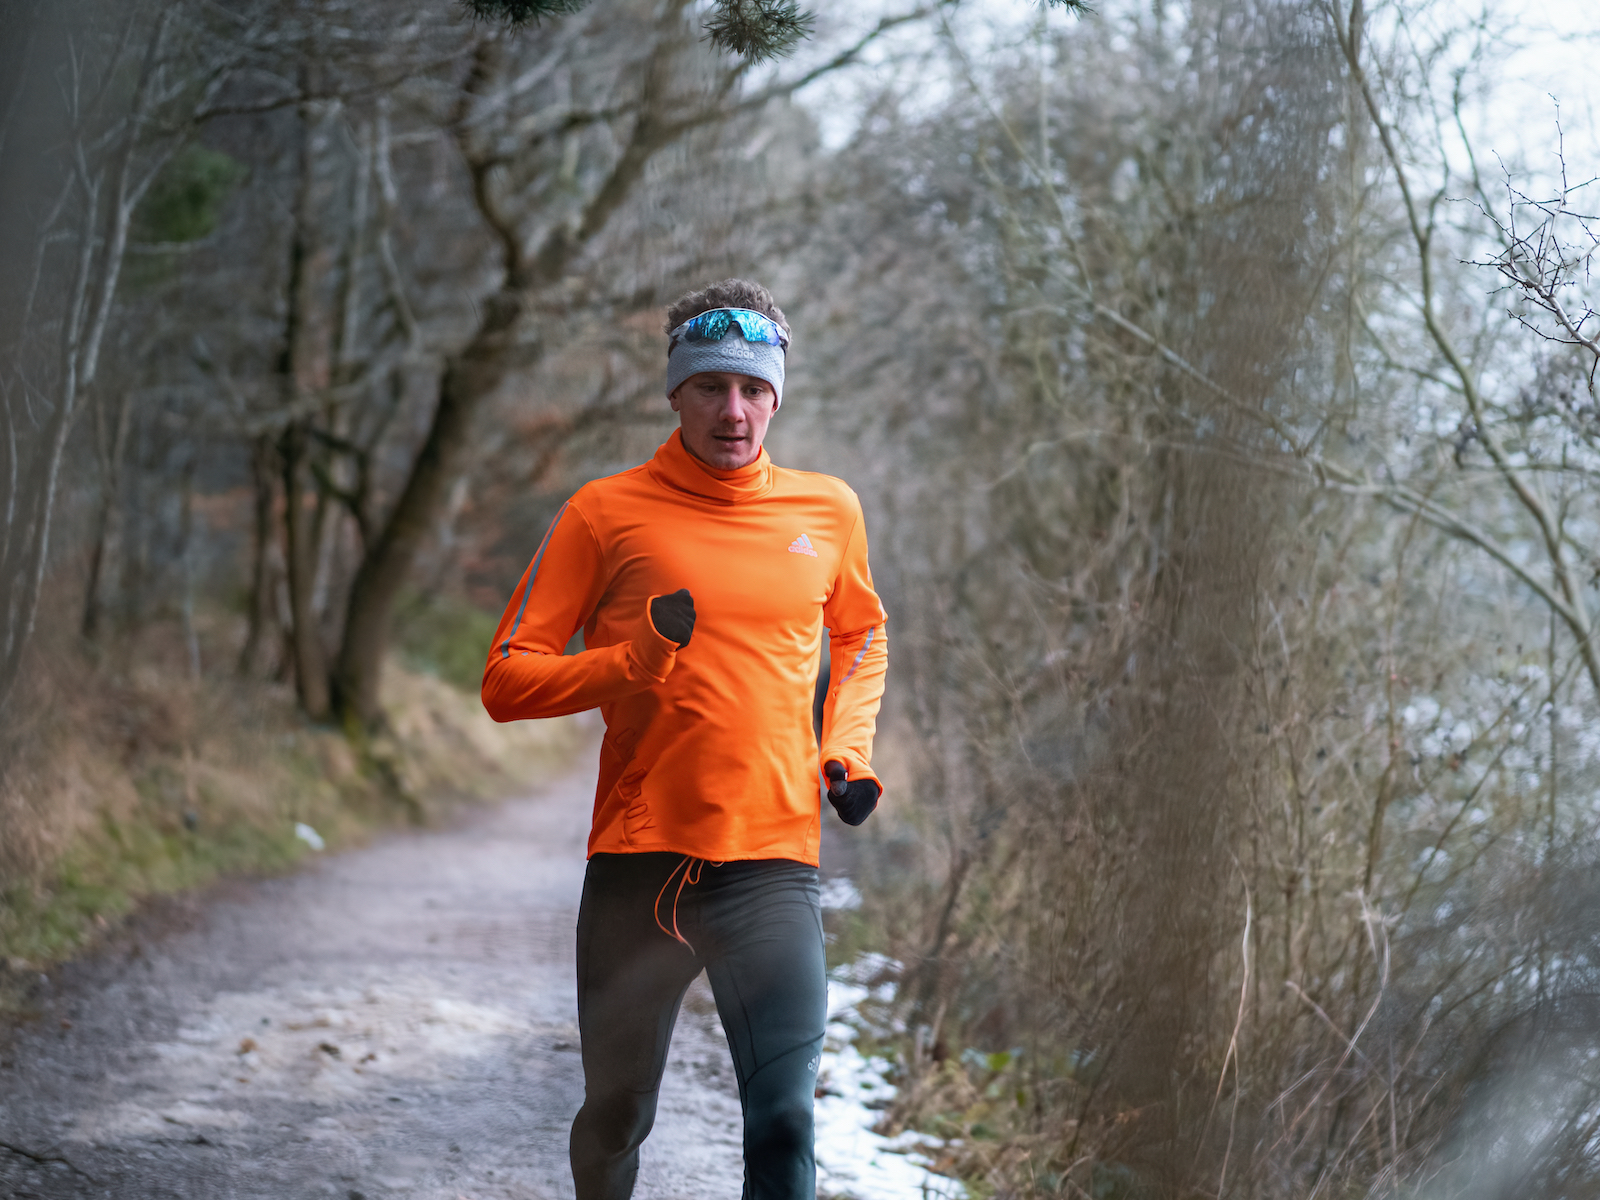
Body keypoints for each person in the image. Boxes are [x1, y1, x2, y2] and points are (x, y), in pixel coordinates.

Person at [481, 278, 889, 1200]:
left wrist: (846, 752)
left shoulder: (829, 512)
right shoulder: (603, 513)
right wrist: (633, 663)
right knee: (617, 1116)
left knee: (784, 1121)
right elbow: (506, 681)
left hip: (770, 864)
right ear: (674, 393)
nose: (732, 411)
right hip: (640, 865)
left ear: (778, 396)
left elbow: (863, 634)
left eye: (753, 389)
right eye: (709, 387)